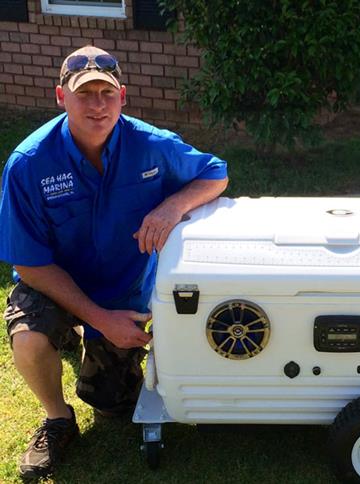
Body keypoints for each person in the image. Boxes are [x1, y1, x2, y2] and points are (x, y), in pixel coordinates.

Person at [0, 45, 228, 479]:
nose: (97, 105)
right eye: (83, 94)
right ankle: (57, 419)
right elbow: (29, 265)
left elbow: (215, 173)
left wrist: (172, 207)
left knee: (113, 406)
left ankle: (85, 345)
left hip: (124, 290)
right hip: (58, 282)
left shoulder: (152, 145)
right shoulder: (28, 163)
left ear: (122, 96)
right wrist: (99, 319)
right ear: (60, 97)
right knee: (29, 341)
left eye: (106, 93)